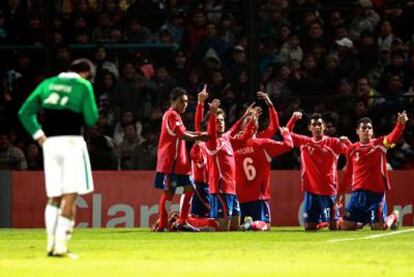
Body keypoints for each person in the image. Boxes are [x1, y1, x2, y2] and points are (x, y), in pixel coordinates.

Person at [18, 58, 99, 258]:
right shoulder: (83, 85)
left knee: (54, 196)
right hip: (72, 142)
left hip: (50, 144)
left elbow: (24, 112)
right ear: (86, 72)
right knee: (70, 195)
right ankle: (61, 247)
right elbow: (91, 117)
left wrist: (38, 136)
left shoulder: (47, 84)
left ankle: (50, 244)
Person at [337, 111, 408, 230]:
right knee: (345, 226)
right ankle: (360, 222)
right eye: (363, 128)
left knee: (378, 227)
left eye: (369, 128)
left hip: (376, 195)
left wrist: (400, 124)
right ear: (357, 131)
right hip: (357, 194)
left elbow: (392, 137)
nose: (366, 130)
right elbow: (348, 173)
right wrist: (340, 193)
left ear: (372, 131)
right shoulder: (351, 149)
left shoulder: (380, 144)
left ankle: (394, 215)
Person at [235, 92, 293, 231]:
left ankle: (248, 225)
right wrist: (286, 133)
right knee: (265, 225)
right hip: (259, 196)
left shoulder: (235, 144)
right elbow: (281, 136)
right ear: (256, 126)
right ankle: (253, 224)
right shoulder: (262, 143)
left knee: (241, 227)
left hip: (239, 196)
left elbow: (272, 128)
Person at [153, 87, 209, 232]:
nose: (185, 104)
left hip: (180, 164)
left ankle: (182, 221)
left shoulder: (176, 116)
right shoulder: (171, 115)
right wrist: (200, 136)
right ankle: (163, 225)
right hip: (170, 163)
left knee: (190, 189)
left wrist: (199, 134)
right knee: (169, 193)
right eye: (181, 101)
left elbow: (184, 132)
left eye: (186, 102)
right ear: (173, 101)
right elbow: (181, 135)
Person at [286, 112, 350, 231]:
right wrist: (293, 118)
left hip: (328, 190)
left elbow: (352, 153)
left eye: (319, 124)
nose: (317, 127)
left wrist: (347, 142)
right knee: (309, 227)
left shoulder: (333, 142)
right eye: (314, 125)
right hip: (311, 191)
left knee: (334, 227)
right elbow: (287, 133)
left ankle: (349, 222)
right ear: (310, 128)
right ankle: (322, 223)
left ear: (324, 127)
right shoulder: (304, 142)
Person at [206, 98, 256, 231]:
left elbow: (234, 128)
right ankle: (197, 226)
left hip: (232, 190)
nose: (220, 123)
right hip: (220, 189)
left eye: (222, 120)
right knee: (222, 229)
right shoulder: (212, 142)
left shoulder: (226, 138)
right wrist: (211, 115)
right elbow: (211, 131)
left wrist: (245, 115)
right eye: (217, 121)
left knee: (234, 227)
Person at [190, 86, 211, 218]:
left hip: (215, 187)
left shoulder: (220, 141)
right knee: (201, 218)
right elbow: (198, 126)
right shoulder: (200, 142)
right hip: (200, 186)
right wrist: (200, 104)